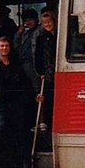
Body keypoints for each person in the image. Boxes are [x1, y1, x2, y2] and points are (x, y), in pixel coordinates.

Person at [0, 34, 33, 168]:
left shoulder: (16, 65)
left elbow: (25, 83)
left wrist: (33, 96)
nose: (4, 48)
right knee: (1, 131)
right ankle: (10, 162)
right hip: (0, 104)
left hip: (16, 104)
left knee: (18, 132)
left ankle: (19, 165)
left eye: (7, 46)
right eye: (2, 46)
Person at [33, 8, 58, 150]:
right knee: (47, 98)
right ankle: (46, 122)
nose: (47, 25)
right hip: (47, 73)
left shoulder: (59, 35)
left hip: (57, 71)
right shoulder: (41, 38)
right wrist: (40, 72)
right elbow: (37, 56)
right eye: (45, 23)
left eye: (49, 22)